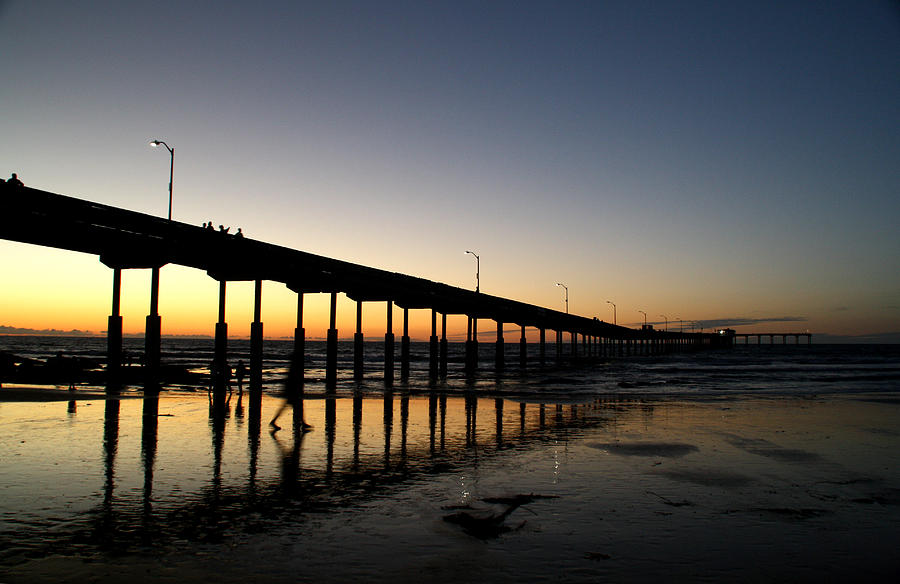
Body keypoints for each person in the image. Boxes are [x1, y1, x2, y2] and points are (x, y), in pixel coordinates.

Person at [270, 356, 312, 432]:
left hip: (291, 391)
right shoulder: (294, 368)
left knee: (294, 407)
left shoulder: (292, 367)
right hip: (292, 391)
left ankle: (303, 423)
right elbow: (292, 380)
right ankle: (303, 423)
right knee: (297, 407)